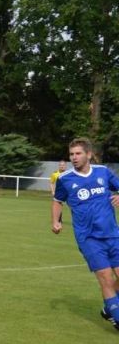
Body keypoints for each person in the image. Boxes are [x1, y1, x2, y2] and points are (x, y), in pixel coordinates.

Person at [52, 138, 119, 332]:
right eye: (71, 154)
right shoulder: (65, 179)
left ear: (88, 154)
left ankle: (109, 308)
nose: (74, 157)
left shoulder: (103, 172)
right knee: (106, 278)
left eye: (78, 153)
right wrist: (55, 221)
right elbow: (57, 201)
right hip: (88, 237)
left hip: (112, 233)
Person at [50, 159, 68, 224]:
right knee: (58, 206)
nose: (62, 166)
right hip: (59, 194)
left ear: (66, 166)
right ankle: (58, 220)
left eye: (63, 165)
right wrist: (53, 191)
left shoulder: (69, 173)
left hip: (68, 193)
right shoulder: (55, 174)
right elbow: (51, 183)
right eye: (60, 165)